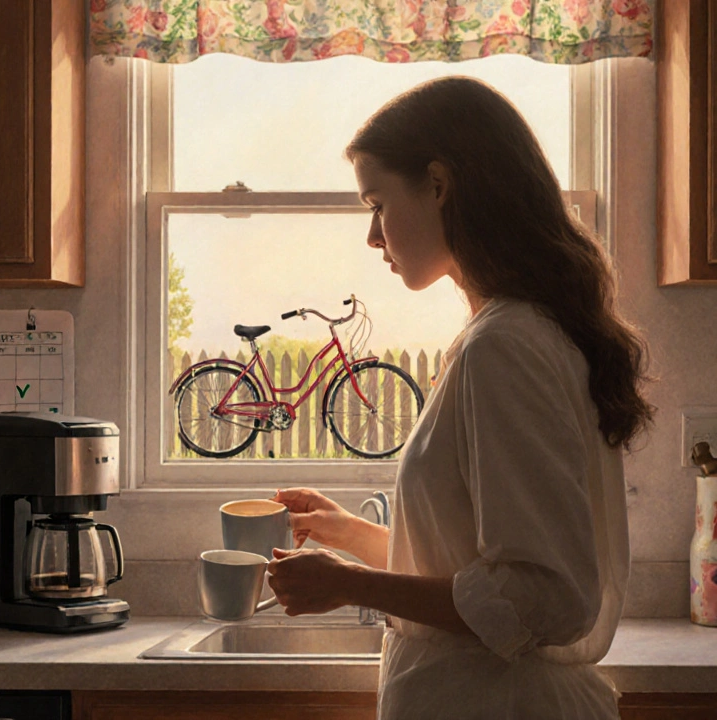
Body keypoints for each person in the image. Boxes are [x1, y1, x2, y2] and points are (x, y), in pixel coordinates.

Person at [266, 76, 652, 719]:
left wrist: (351, 585)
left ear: (439, 185)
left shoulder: (503, 345)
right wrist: (351, 535)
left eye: (378, 204)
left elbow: (543, 596)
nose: (372, 236)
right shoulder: (512, 331)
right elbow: (475, 567)